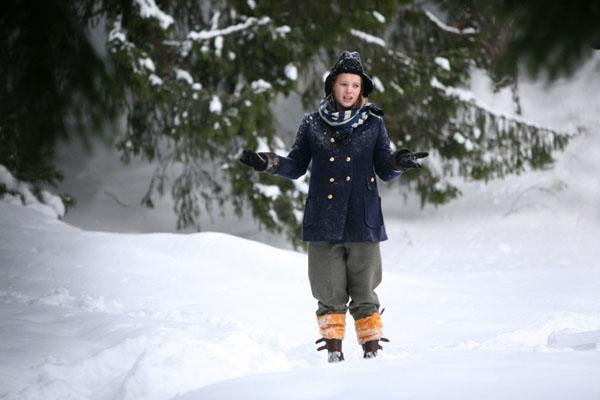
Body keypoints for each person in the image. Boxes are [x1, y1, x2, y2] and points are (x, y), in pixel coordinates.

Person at [240, 51, 428, 362]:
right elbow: (297, 165)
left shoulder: (374, 124)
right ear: (332, 87)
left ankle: (372, 352)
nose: (350, 90)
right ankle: (333, 353)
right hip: (323, 221)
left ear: (362, 91)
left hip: (362, 220)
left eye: (356, 85)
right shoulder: (312, 124)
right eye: (344, 84)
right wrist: (267, 163)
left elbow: (385, 168)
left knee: (365, 292)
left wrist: (400, 161)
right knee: (328, 292)